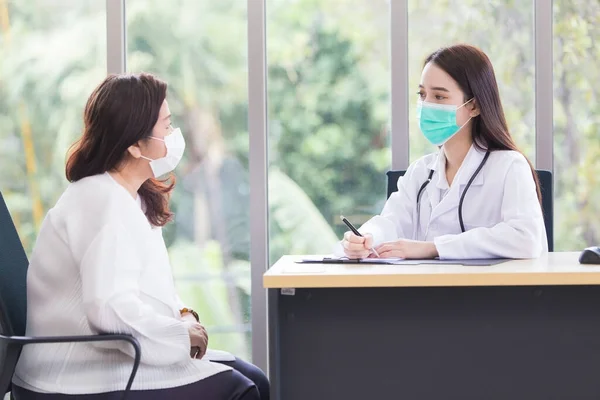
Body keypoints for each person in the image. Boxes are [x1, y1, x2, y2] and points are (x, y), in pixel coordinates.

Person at [12, 73, 269, 400]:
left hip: (108, 359)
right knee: (240, 390)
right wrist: (179, 335)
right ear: (134, 144)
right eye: (165, 126)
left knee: (255, 379)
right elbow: (108, 308)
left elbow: (144, 287)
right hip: (73, 374)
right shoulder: (102, 202)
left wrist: (183, 315)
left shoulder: (131, 196)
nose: (173, 136)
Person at [341, 44, 547, 260]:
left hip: (489, 292)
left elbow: (525, 238)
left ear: (474, 106)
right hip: (425, 291)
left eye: (439, 97)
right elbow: (391, 222)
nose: (427, 105)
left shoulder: (509, 166)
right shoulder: (420, 172)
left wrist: (434, 248)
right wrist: (365, 238)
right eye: (422, 94)